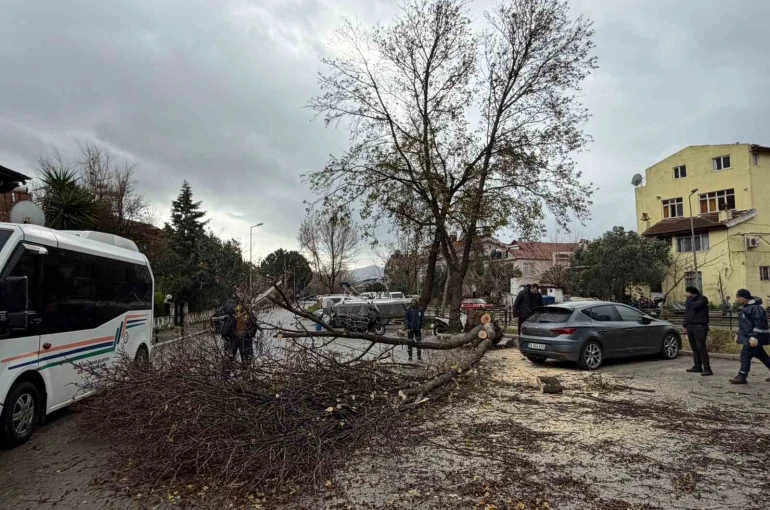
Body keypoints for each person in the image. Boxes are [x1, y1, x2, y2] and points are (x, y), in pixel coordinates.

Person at [729, 289, 770, 384]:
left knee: (745, 354)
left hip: (752, 338)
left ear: (745, 297)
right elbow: (744, 325)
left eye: (739, 297)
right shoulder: (746, 308)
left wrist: (755, 337)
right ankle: (741, 376)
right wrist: (739, 334)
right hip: (750, 337)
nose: (737, 299)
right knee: (762, 356)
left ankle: (742, 376)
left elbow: (760, 323)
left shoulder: (755, 308)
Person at [221, 293, 258, 364]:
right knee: (228, 360)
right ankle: (226, 370)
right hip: (232, 336)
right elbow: (227, 308)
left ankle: (247, 369)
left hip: (245, 338)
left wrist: (250, 333)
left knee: (248, 361)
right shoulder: (231, 302)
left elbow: (253, 324)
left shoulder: (248, 310)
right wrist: (238, 308)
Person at [683, 286, 711, 376]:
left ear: (690, 292)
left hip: (700, 327)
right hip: (690, 326)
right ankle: (697, 366)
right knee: (694, 348)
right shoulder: (689, 300)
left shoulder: (702, 299)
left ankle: (707, 368)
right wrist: (685, 325)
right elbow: (688, 313)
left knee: (701, 347)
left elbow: (694, 306)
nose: (685, 294)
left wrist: (690, 298)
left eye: (687, 292)